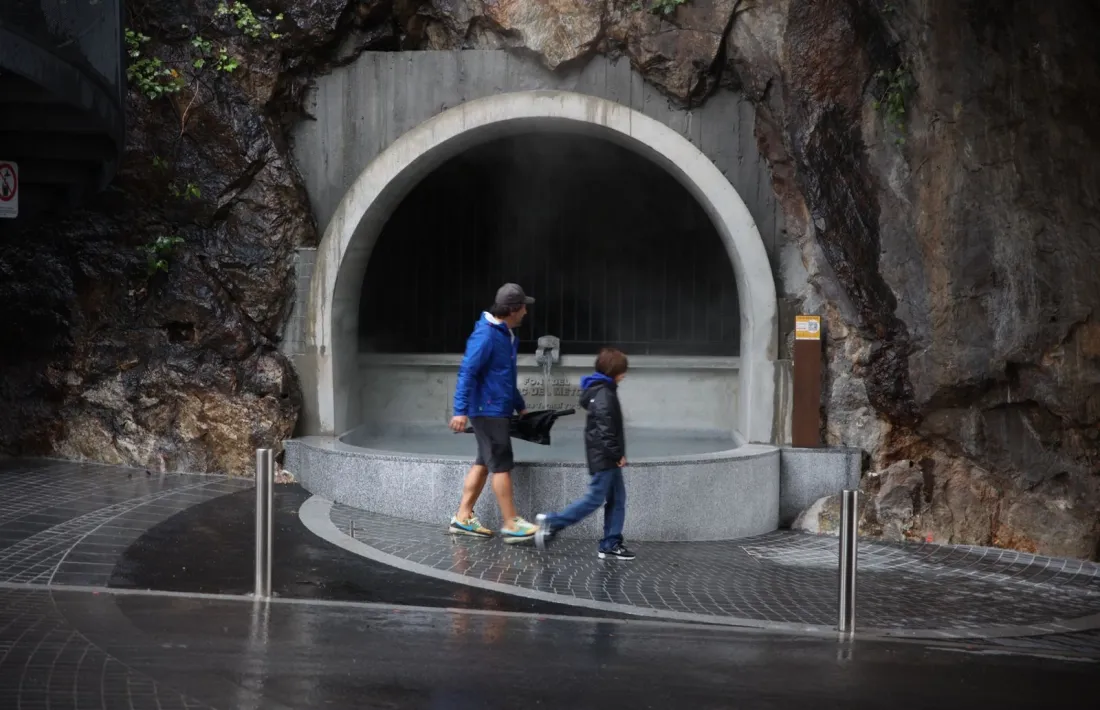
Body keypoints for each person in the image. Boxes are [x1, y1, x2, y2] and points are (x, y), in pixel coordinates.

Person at [448, 283, 539, 543]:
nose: (526, 312)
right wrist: (460, 411)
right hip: (487, 410)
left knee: (483, 463)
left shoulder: (503, 334)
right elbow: (467, 371)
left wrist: (520, 404)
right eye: (523, 307)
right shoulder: (487, 336)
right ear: (513, 309)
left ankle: (463, 518)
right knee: (501, 464)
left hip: (494, 407)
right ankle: (511, 523)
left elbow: (504, 376)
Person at [535, 347, 635, 560]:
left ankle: (610, 543)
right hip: (606, 458)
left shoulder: (602, 390)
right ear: (613, 371)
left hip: (605, 457)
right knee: (594, 499)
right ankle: (552, 522)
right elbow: (606, 431)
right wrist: (618, 455)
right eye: (622, 370)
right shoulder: (604, 394)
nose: (624, 375)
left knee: (617, 499)